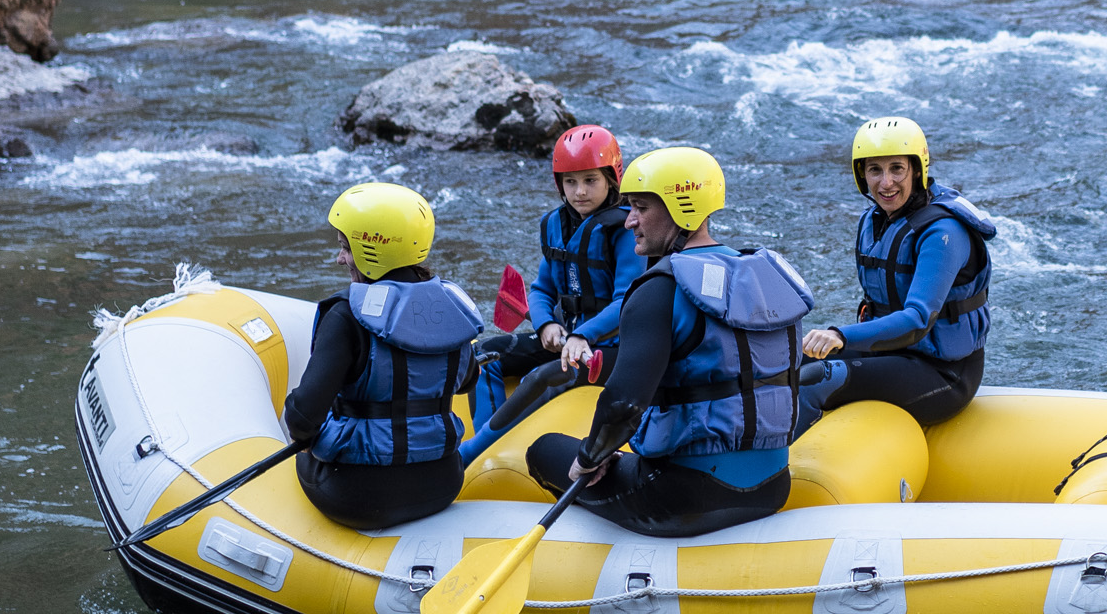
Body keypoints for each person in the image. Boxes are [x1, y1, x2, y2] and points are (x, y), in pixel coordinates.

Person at [530, 145, 801, 538]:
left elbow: (622, 404)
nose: (629, 221)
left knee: (544, 449)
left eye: (641, 208)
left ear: (681, 211)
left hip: (686, 497)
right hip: (774, 487)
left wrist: (591, 458)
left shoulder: (658, 288)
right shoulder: (760, 275)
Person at [284, 181, 482, 530]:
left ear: (371, 250)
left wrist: (309, 434)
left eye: (346, 247)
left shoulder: (346, 316)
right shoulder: (450, 309)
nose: (340, 258)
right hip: (443, 483)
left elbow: (302, 418)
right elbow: (467, 381)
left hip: (358, 495)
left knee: (303, 458)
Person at [795, 116, 995, 428]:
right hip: (891, 355)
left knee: (814, 380)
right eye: (875, 169)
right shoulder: (875, 220)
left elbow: (917, 320)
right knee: (790, 364)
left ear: (917, 169)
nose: (886, 182)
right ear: (862, 174)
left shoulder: (943, 233)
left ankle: (785, 475)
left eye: (897, 169)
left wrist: (840, 335)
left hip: (944, 373)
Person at [471, 125, 643, 436]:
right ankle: (487, 438)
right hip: (567, 336)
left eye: (591, 180)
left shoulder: (626, 231)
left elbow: (627, 303)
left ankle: (476, 450)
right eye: (571, 181)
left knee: (539, 378)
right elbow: (542, 289)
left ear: (611, 179)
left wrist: (583, 336)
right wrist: (545, 324)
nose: (580, 191)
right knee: (483, 358)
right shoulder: (555, 225)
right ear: (559, 184)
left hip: (611, 347)